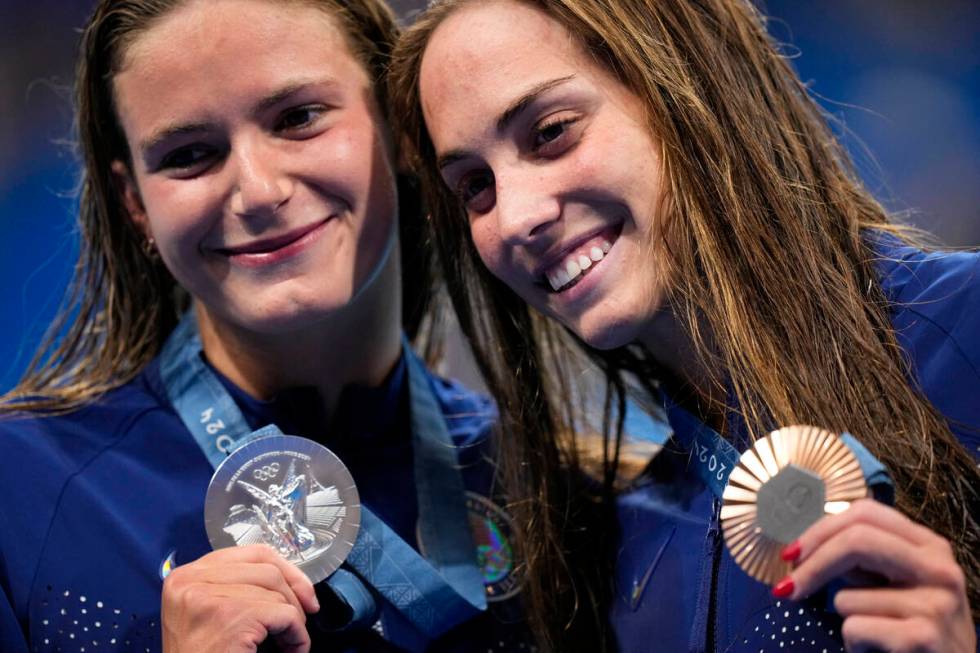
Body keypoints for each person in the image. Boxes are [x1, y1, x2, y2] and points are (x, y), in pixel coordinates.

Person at [388, 0, 980, 651]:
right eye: (476, 185)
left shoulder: (965, 326)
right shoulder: (626, 544)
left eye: (552, 131)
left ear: (685, 83)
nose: (515, 217)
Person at [0, 1, 534, 651]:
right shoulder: (19, 495)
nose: (256, 191)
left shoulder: (544, 479)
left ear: (400, 126)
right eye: (190, 153)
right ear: (135, 204)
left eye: (299, 117)